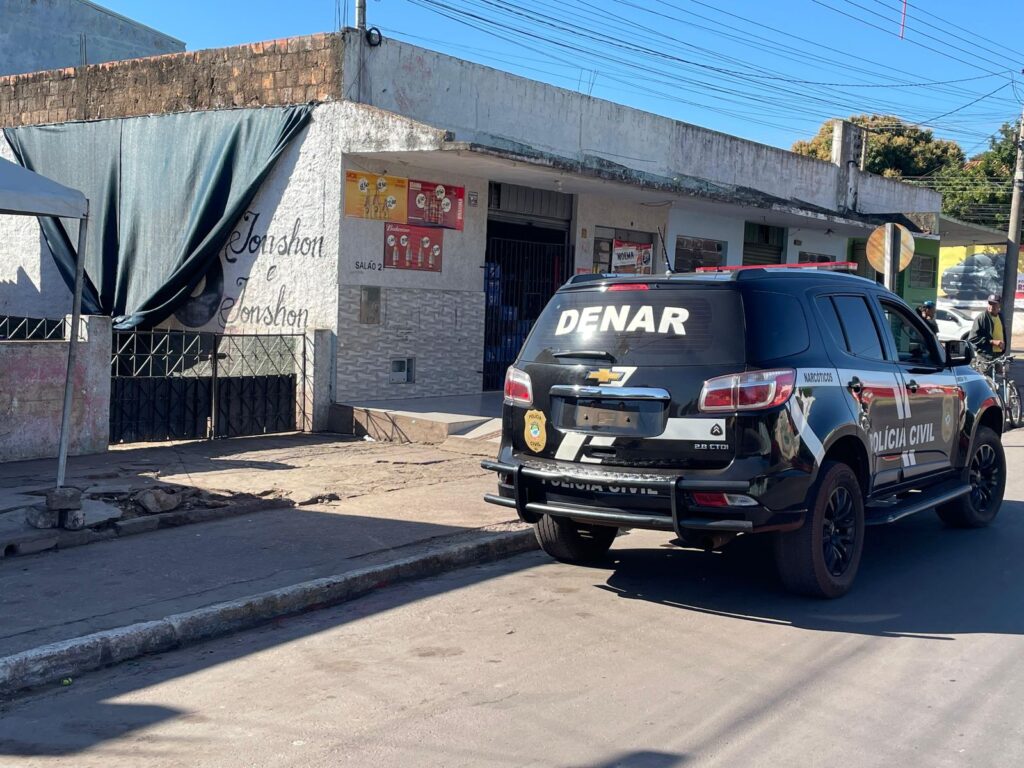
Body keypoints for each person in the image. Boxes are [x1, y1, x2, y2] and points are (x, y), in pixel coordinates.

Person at [969, 293, 1005, 360]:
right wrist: (992, 342)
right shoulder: (981, 318)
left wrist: (1002, 345)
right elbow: (972, 338)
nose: (991, 306)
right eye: (990, 304)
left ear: (999, 305)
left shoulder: (1000, 316)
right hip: (985, 356)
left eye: (994, 304)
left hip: (999, 355)